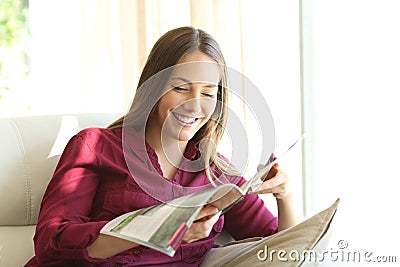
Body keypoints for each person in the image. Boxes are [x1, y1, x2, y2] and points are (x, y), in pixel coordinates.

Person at [25, 26, 297, 266]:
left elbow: (283, 251)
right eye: (180, 88)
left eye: (207, 93)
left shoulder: (218, 175)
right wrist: (159, 231)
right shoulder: (95, 146)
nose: (194, 104)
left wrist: (285, 196)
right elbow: (51, 243)